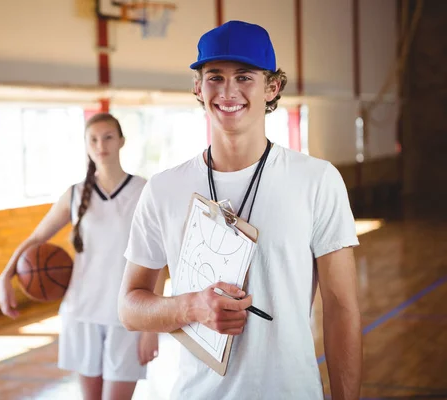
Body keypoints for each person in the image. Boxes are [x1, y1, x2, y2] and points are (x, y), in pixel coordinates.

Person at [118, 20, 362, 400]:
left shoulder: (317, 180)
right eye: (215, 77)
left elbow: (342, 309)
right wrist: (191, 307)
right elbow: (130, 308)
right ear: (198, 87)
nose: (228, 91)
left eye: (244, 77)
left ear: (272, 87)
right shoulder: (163, 189)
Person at [0, 112, 163, 400]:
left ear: (122, 141)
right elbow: (37, 238)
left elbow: (158, 260)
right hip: (81, 312)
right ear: (86, 145)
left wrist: (152, 326)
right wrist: (6, 275)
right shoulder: (74, 194)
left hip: (127, 314)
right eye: (94, 139)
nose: (101, 145)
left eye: (108, 137)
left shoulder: (144, 191)